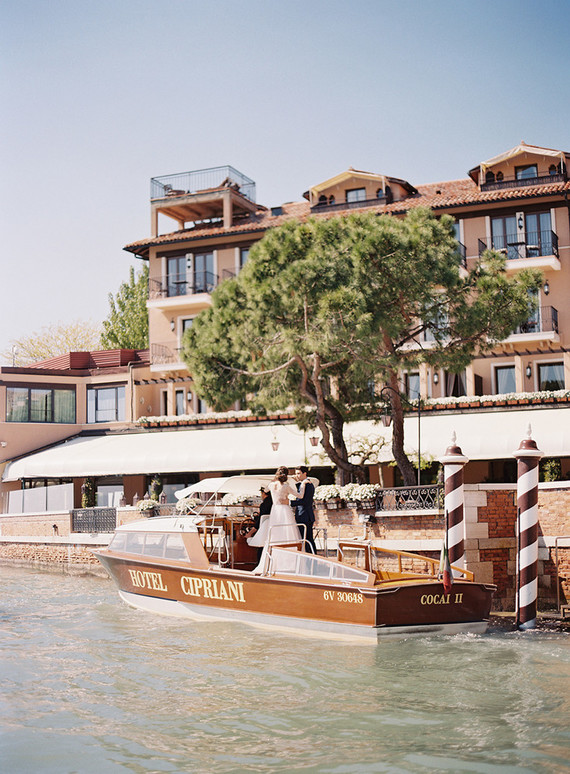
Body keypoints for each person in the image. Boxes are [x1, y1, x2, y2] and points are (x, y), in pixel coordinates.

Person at [247, 466, 301, 573]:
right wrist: (299, 484)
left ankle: (272, 563)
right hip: (284, 510)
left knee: (274, 536)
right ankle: (290, 563)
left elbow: (266, 490)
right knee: (287, 535)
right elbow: (300, 495)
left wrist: (273, 480)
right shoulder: (286, 486)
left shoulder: (271, 485)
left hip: (275, 511)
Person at [291, 465, 317, 553]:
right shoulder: (302, 484)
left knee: (308, 540)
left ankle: (313, 558)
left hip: (305, 516)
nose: (297, 476)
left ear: (304, 473)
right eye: (296, 474)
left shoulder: (308, 485)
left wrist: (289, 503)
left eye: (298, 473)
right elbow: (300, 495)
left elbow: (304, 501)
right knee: (305, 539)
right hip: (302, 516)